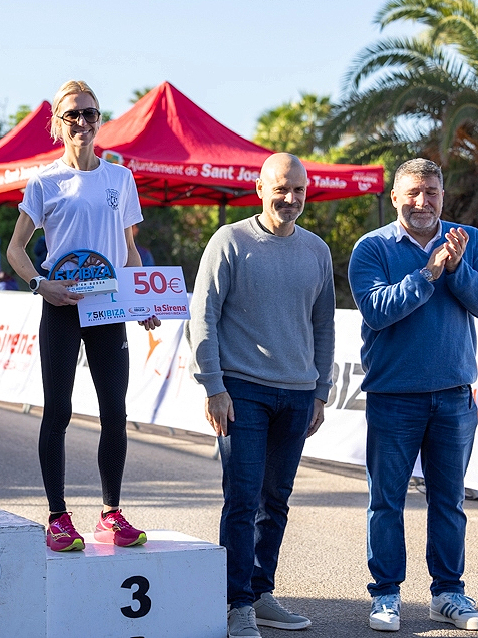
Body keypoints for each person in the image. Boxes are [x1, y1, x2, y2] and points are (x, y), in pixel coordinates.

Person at [6, 80, 159, 553]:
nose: (83, 122)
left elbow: (129, 248)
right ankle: (57, 517)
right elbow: (16, 249)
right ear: (57, 121)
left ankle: (111, 514)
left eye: (90, 113)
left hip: (109, 308)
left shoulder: (121, 178)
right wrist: (41, 285)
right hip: (63, 307)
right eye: (72, 114)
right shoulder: (44, 180)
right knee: (58, 412)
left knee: (115, 413)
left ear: (99, 119)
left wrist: (143, 300)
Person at [187, 152, 334, 638]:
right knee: (243, 498)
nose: (290, 199)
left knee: (277, 500)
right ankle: (237, 603)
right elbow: (203, 315)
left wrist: (320, 389)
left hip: (297, 393)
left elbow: (323, 323)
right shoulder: (229, 241)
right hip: (242, 391)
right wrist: (213, 386)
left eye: (298, 190)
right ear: (260, 189)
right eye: (281, 189)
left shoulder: (317, 250)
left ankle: (262, 590)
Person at [348, 158, 478, 632]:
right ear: (395, 195)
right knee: (386, 502)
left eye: (432, 193)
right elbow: (378, 311)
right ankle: (385, 595)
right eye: (413, 193)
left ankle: (448, 594)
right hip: (393, 396)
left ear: (443, 196)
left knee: (449, 503)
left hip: (455, 397)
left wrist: (457, 267)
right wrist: (429, 273)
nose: (423, 202)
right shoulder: (371, 248)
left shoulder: (469, 239)